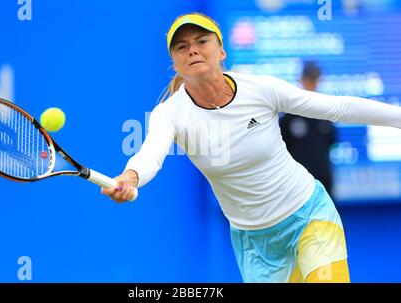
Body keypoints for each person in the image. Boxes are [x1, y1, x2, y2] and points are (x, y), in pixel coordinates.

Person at [101, 13, 401, 283]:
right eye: (181, 46)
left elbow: (339, 108)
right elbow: (150, 155)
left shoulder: (261, 89)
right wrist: (130, 177)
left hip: (309, 215)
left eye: (201, 41)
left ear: (221, 51)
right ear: (175, 63)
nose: (192, 49)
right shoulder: (169, 114)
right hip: (255, 244)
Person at [279, 61, 335, 195]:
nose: (312, 85)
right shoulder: (290, 113)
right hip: (297, 184)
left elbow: (331, 141)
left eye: (315, 80)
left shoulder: (324, 111)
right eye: (309, 80)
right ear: (302, 80)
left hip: (323, 181)